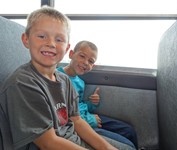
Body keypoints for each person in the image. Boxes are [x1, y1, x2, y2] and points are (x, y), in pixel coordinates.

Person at [0, 7, 136, 150]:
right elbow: (48, 143)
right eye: (42, 36)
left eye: (59, 39)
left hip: (72, 139)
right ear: (26, 39)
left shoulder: (64, 81)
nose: (51, 44)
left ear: (66, 48)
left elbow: (77, 120)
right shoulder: (23, 83)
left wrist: (106, 148)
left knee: (128, 147)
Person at [57, 40, 138, 149]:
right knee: (128, 146)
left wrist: (91, 103)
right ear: (71, 54)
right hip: (81, 122)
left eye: (90, 61)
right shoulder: (58, 77)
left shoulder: (81, 82)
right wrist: (89, 120)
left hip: (88, 116)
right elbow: (63, 114)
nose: (86, 62)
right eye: (82, 56)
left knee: (128, 131)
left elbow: (78, 104)